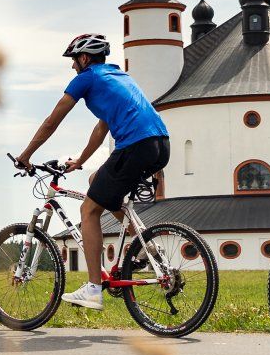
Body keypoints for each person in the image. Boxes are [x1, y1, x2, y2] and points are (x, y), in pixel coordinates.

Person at [15, 33, 171, 310]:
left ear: (84, 58)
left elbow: (53, 121)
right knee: (95, 181)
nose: (73, 66)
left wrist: (26, 155)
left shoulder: (86, 78)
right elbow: (102, 127)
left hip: (135, 145)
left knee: (88, 210)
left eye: (74, 60)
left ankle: (93, 289)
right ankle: (147, 248)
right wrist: (80, 160)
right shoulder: (118, 77)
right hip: (160, 144)